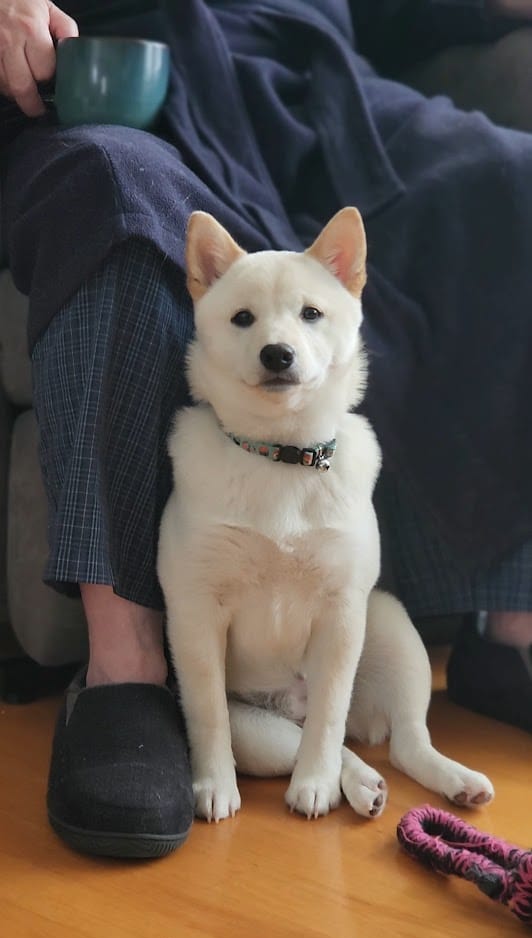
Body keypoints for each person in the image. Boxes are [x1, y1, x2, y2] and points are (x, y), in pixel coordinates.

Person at [1, 0, 531, 859]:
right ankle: (125, 667)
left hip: (301, 83)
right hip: (116, 76)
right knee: (108, 181)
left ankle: (515, 625)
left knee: (515, 183)